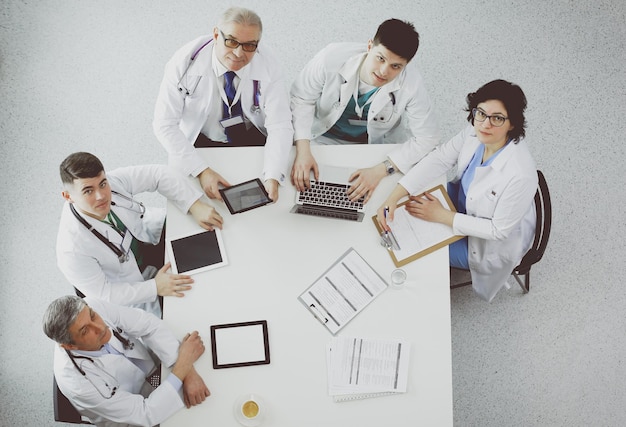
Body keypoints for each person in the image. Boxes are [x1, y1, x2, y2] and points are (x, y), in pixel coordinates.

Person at [377, 80, 537, 302]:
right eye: (480, 113)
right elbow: (441, 157)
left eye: (497, 118)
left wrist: (442, 216)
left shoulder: (520, 175)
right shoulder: (476, 131)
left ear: (512, 124)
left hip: (485, 243)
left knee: (406, 249)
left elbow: (498, 230)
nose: (485, 124)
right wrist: (396, 194)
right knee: (404, 216)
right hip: (463, 203)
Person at [290, 18, 440, 203]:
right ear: (370, 46)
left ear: (406, 65)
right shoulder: (331, 58)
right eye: (380, 58)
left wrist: (382, 169)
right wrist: (303, 150)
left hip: (372, 150)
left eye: (396, 66)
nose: (384, 72)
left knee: (370, 203)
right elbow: (301, 98)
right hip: (319, 139)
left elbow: (428, 138)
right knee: (302, 194)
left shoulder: (411, 85)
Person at [57, 152, 223, 317]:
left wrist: (194, 205)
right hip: (135, 284)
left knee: (213, 241)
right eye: (88, 191)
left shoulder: (111, 183)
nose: (101, 196)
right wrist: (154, 287)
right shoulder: (71, 249)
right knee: (196, 304)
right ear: (68, 196)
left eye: (102, 184)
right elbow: (103, 294)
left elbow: (158, 174)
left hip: (149, 238)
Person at [153, 7, 293, 203]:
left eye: (249, 45)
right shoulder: (184, 63)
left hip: (249, 134)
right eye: (231, 41)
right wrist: (201, 170)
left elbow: (280, 124)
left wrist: (273, 175)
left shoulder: (269, 64)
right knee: (201, 206)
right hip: (201, 138)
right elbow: (164, 125)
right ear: (216, 35)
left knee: (259, 202)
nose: (238, 53)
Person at [44, 295, 210, 426]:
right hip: (134, 418)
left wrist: (187, 373)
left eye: (93, 317)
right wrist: (184, 363)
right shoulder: (77, 384)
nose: (101, 327)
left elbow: (148, 325)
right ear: (69, 346)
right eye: (85, 331)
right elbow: (145, 414)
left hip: (159, 372)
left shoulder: (90, 306)